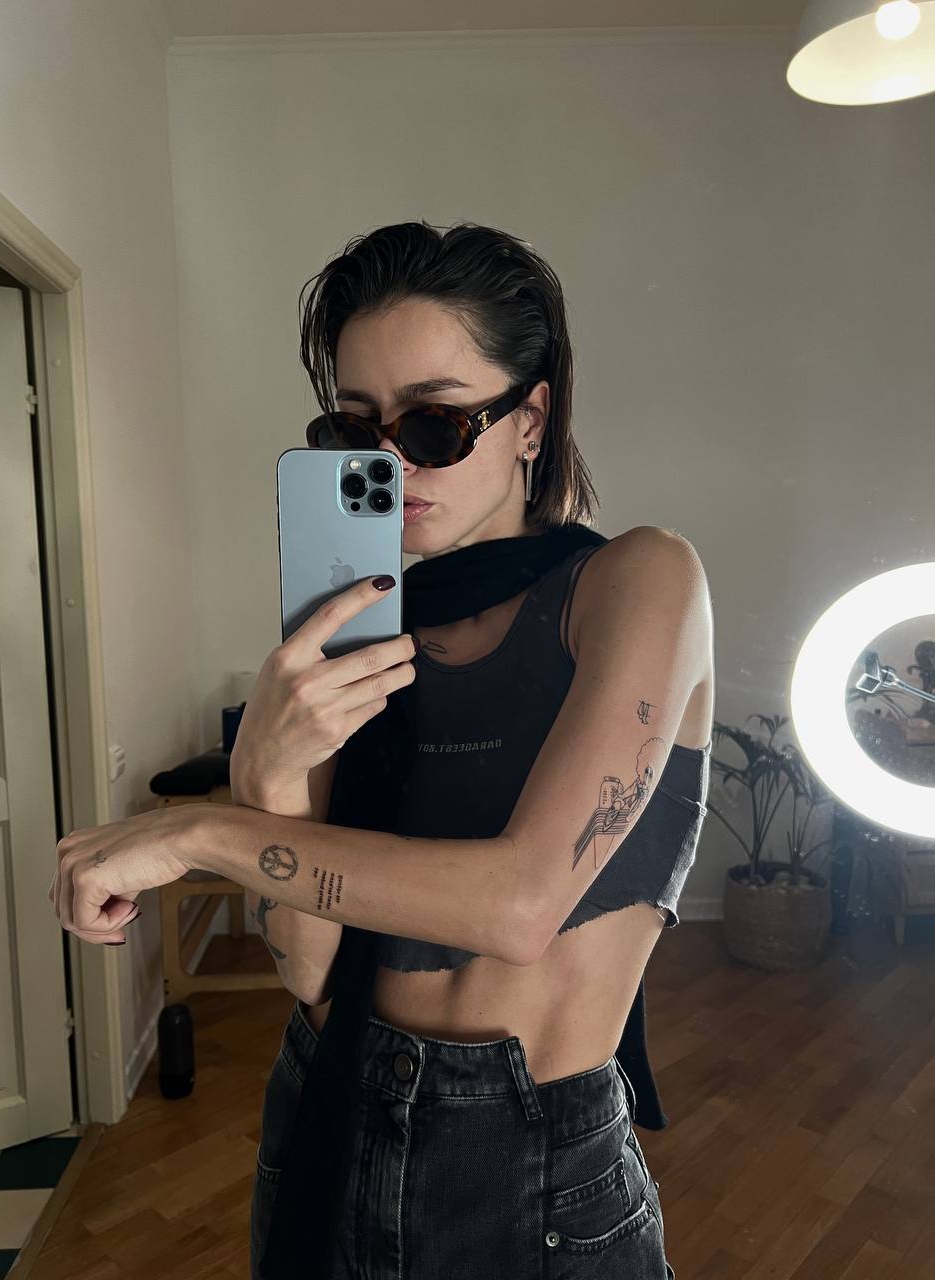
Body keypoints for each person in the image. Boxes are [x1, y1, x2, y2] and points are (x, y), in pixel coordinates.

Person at [239, 220, 715, 1279]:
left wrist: (198, 832)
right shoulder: (361, 627)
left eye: (434, 423)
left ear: (529, 420)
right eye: (356, 427)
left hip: (523, 1156)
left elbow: (518, 907)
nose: (390, 461)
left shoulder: (636, 581)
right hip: (324, 1107)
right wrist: (266, 773)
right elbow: (309, 965)